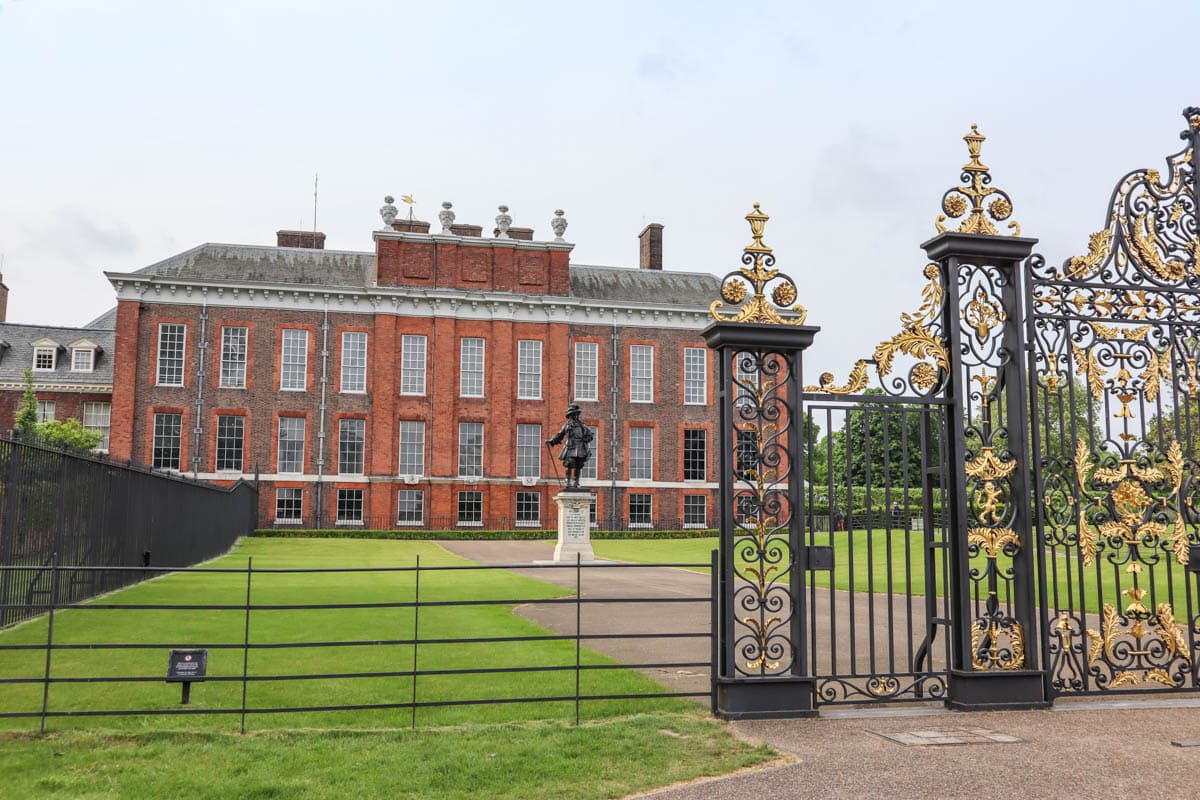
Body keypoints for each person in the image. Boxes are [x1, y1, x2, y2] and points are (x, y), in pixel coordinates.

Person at [546, 404, 593, 489]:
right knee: (569, 463)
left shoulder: (583, 426)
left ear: (577, 415)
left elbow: (590, 435)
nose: (573, 416)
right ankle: (567, 481)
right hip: (570, 446)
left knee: (579, 465)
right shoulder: (566, 426)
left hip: (580, 447)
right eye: (571, 415)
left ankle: (576, 482)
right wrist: (552, 441)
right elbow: (560, 435)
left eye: (575, 414)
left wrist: (586, 439)